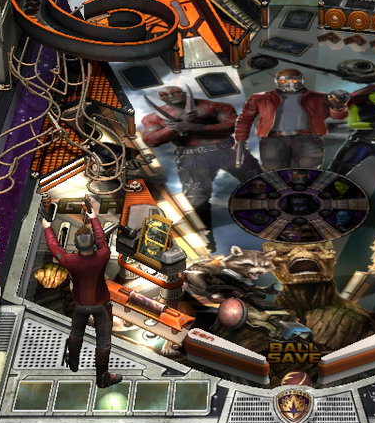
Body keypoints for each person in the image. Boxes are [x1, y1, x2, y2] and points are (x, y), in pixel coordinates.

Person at [142, 85, 260, 242]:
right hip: (192, 157)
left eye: (175, 92)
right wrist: (177, 126)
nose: (171, 96)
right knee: (195, 200)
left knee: (259, 183)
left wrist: (195, 127)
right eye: (165, 94)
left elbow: (233, 126)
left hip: (226, 150)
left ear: (184, 93)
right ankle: (205, 241)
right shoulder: (153, 117)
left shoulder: (214, 106)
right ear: (160, 98)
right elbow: (151, 140)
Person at [41, 197, 122, 387]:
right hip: (101, 305)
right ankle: (102, 378)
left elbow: (55, 248)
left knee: (76, 334)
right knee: (103, 342)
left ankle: (73, 363)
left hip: (80, 305)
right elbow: (102, 239)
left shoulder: (70, 261)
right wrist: (93, 218)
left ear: (77, 246)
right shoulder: (103, 256)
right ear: (92, 244)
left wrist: (47, 228)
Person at [235, 69, 348, 171]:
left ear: (301, 80)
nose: (289, 84)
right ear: (277, 81)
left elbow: (338, 116)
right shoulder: (259, 98)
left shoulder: (319, 97)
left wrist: (339, 106)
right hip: (273, 139)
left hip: (308, 138)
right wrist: (241, 139)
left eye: (294, 81)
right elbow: (245, 119)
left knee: (310, 173)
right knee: (274, 174)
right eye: (284, 81)